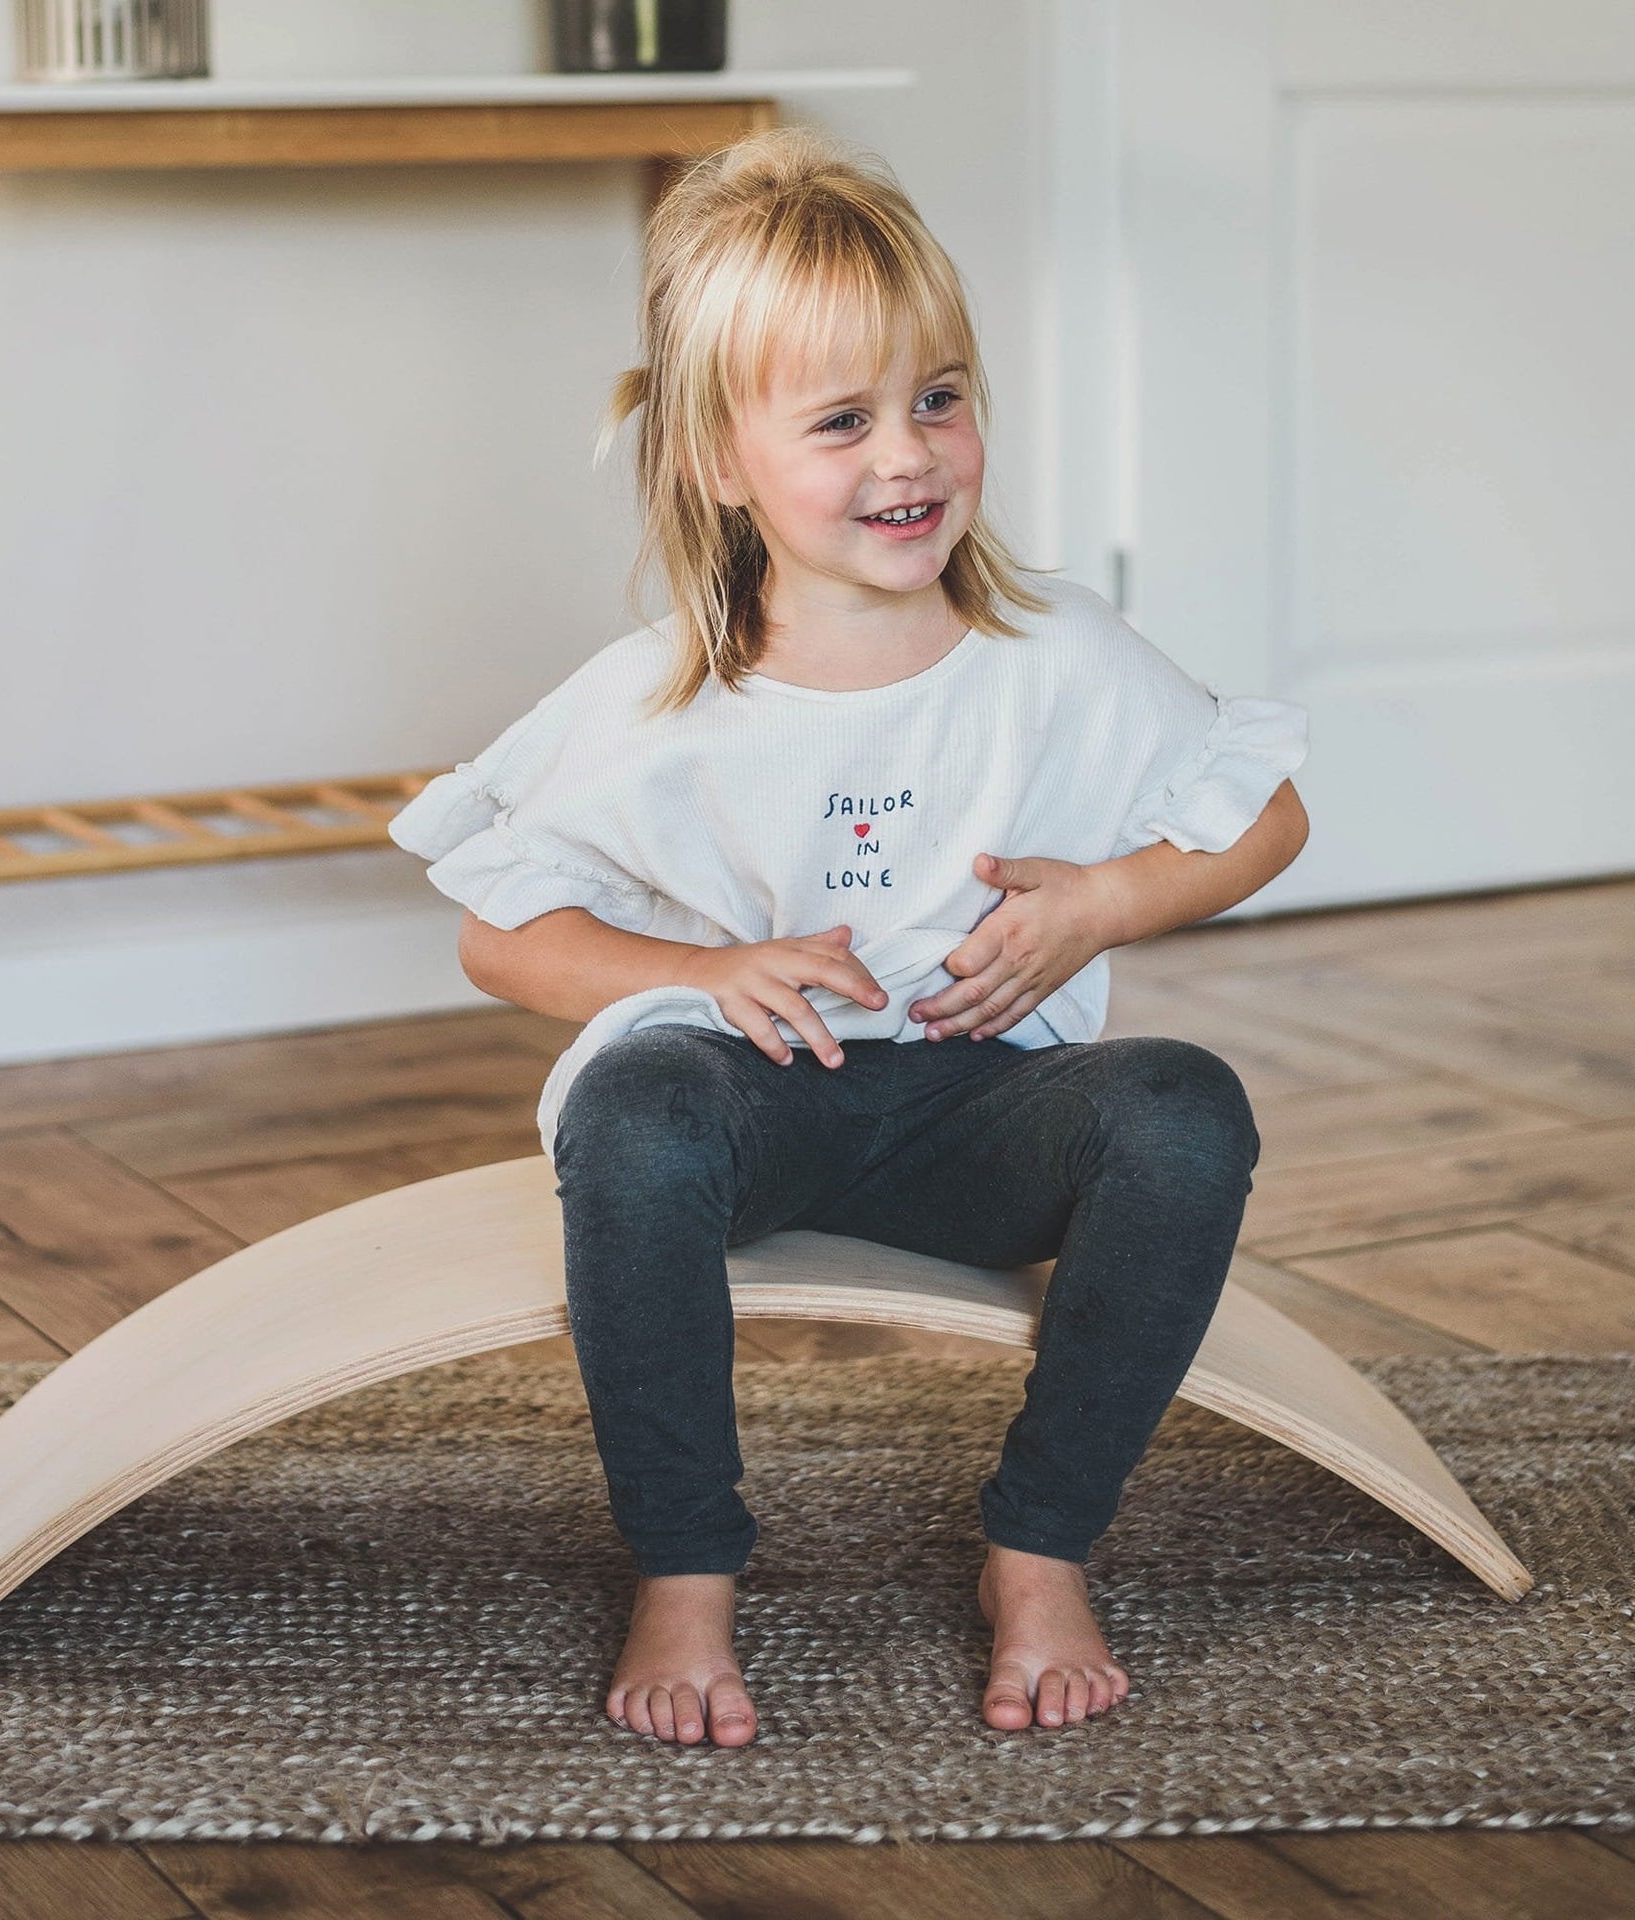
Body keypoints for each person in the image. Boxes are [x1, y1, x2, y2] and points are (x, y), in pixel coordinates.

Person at [387, 127, 1309, 1749]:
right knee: (632, 1115)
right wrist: (692, 976)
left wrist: (1103, 899)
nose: (912, 453)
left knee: (1183, 1112)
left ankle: (1040, 1549)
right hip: (743, 1104)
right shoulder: (663, 692)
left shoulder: (1055, 649)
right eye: (844, 419)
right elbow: (498, 935)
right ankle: (684, 1569)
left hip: (980, 1104)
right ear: (720, 462)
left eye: (938, 397)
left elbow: (1267, 820)